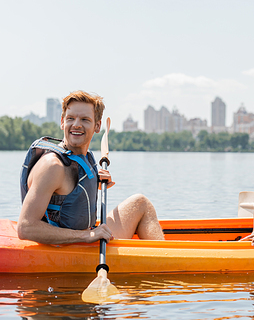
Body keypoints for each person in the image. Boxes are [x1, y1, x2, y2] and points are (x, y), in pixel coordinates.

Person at [18, 90, 164, 244]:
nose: (76, 125)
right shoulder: (52, 167)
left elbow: (68, 191)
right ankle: (168, 264)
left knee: (140, 203)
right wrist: (87, 236)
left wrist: (94, 180)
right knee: (140, 203)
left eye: (85, 119)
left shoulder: (82, 158)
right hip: (66, 249)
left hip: (83, 239)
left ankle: (164, 258)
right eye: (71, 118)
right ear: (62, 122)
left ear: (97, 125)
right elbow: (26, 227)